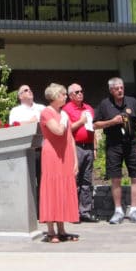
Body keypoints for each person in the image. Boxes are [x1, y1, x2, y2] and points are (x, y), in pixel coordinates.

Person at [94, 77, 136, 225]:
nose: (120, 90)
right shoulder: (105, 104)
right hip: (113, 145)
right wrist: (112, 122)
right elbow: (95, 125)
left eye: (121, 87)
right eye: (116, 88)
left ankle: (134, 210)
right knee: (115, 177)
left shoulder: (132, 101)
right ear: (111, 90)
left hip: (132, 143)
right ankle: (118, 211)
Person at [39, 83, 79, 243]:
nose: (65, 97)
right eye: (63, 94)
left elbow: (70, 137)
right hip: (52, 155)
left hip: (65, 154)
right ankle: (50, 231)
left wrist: (75, 160)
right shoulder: (46, 113)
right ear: (55, 96)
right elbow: (58, 131)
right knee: (52, 189)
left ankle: (62, 230)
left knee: (63, 189)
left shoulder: (63, 114)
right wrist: (63, 119)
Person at [62, 84, 97, 223]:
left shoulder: (88, 108)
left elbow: (93, 129)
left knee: (87, 181)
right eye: (77, 92)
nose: (80, 94)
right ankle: (72, 211)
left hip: (88, 146)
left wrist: (95, 148)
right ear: (70, 95)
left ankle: (85, 212)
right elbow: (67, 129)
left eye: (82, 91)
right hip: (74, 146)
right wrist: (81, 121)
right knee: (74, 179)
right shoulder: (66, 109)